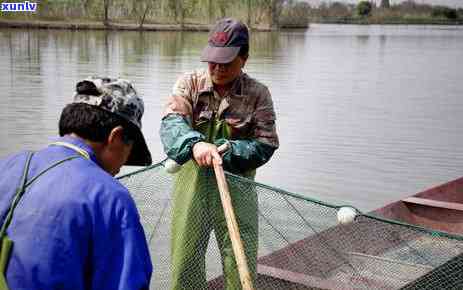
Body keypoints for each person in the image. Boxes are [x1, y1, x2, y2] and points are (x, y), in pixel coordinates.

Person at [0, 77, 153, 290]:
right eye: (130, 151)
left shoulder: (7, 167)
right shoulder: (110, 197)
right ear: (115, 137)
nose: (124, 164)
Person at [160, 18, 279, 289]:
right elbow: (171, 124)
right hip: (192, 187)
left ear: (244, 58)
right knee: (185, 261)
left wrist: (231, 150)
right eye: (213, 60)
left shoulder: (259, 94)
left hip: (236, 186)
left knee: (240, 262)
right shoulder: (188, 84)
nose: (218, 68)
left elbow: (266, 144)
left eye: (227, 62)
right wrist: (195, 144)